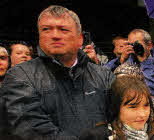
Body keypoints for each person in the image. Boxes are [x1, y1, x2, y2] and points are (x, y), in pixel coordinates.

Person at [1, 5, 115, 139]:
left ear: (80, 39)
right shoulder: (20, 75)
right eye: (46, 29)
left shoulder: (104, 75)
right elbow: (32, 130)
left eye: (63, 29)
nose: (55, 35)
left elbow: (123, 118)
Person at [80, 76, 154, 140]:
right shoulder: (98, 136)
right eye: (133, 107)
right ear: (116, 108)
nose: (142, 114)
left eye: (146, 105)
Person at [105, 29, 154, 96]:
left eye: (137, 44)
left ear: (149, 46)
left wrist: (145, 61)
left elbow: (152, 91)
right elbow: (103, 73)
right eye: (131, 45)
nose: (134, 48)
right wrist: (120, 60)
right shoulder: (129, 59)